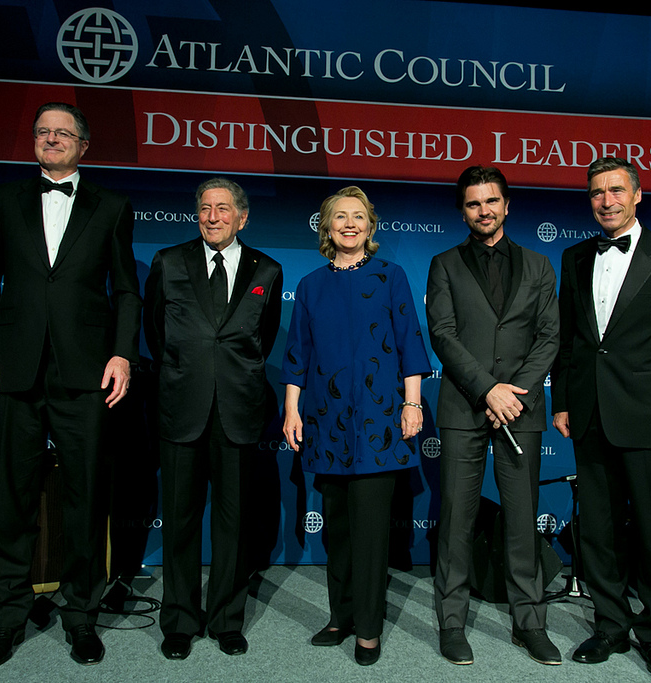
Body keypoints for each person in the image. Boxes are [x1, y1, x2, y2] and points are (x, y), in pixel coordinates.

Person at [0, 102, 140, 668]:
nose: (52, 139)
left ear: (84, 145)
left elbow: (127, 290)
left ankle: (81, 616)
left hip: (86, 371)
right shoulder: (3, 200)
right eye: (44, 132)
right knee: (13, 497)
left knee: (85, 499)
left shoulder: (112, 206)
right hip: (14, 367)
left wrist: (121, 353)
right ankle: (8, 616)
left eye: (64, 133)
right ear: (34, 142)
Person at [551, 157, 651, 679]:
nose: (607, 201)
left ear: (637, 194)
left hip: (647, 415)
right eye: (597, 193)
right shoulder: (573, 258)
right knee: (595, 529)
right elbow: (571, 341)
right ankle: (610, 626)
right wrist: (562, 402)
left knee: (648, 529)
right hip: (590, 413)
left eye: (617, 190)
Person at [282, 186, 431, 667]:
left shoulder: (391, 276)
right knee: (339, 531)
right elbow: (297, 357)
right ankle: (340, 616)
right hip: (325, 423)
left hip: (379, 422)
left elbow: (410, 343)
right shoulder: (308, 286)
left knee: (370, 533)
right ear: (325, 227)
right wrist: (291, 410)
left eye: (359, 217)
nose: (349, 224)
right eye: (339, 217)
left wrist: (413, 405)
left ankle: (368, 629)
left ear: (370, 226)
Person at [426, 165, 560, 667]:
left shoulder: (539, 265)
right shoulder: (444, 264)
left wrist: (514, 395)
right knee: (457, 521)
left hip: (521, 412)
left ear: (507, 205)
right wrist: (487, 389)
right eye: (473, 203)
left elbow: (549, 336)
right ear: (463, 210)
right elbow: (443, 333)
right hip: (464, 408)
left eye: (491, 201)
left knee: (522, 522)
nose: (483, 210)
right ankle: (452, 624)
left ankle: (530, 623)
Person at [144, 177, 283, 661]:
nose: (213, 216)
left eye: (223, 209)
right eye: (205, 208)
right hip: (182, 408)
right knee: (179, 523)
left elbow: (261, 340)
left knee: (233, 523)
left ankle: (226, 619)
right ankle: (180, 620)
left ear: (242, 217)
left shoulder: (268, 268)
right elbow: (155, 332)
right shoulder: (167, 262)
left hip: (238, 413)